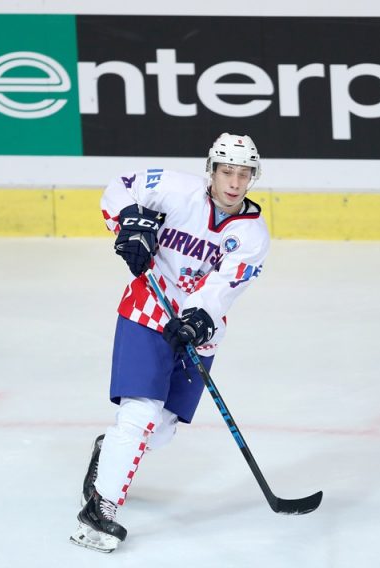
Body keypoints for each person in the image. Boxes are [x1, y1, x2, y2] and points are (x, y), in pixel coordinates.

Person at [70, 133, 270, 553]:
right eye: (227, 171)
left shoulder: (252, 235)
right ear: (211, 170)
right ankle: (99, 512)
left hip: (199, 330)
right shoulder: (174, 189)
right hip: (146, 310)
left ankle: (110, 452)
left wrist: (200, 317)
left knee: (159, 432)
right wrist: (129, 223)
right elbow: (119, 189)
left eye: (244, 174)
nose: (234, 182)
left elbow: (225, 287)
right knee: (139, 416)